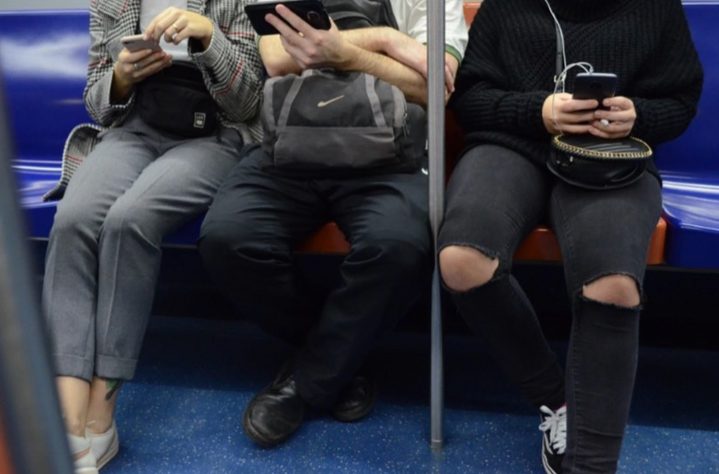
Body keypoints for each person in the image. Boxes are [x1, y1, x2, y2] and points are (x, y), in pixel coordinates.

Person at [439, 0, 703, 473]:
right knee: (462, 258)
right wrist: (537, 110)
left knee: (613, 285)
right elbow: (470, 98)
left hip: (611, 156)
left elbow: (681, 102)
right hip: (510, 145)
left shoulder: (655, 7)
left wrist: (636, 116)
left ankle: (592, 465)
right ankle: (559, 400)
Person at [199, 0, 467, 447]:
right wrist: (385, 40)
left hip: (389, 154)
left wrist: (344, 53)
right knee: (228, 238)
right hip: (289, 148)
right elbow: (274, 56)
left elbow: (433, 86)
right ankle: (341, 355)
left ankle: (307, 380)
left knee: (398, 246)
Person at [42, 1, 263, 472]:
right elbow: (98, 103)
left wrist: (208, 37)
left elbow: (249, 103)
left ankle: (100, 418)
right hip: (134, 130)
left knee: (130, 220)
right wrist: (121, 77)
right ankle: (67, 421)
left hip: (214, 135)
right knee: (74, 219)